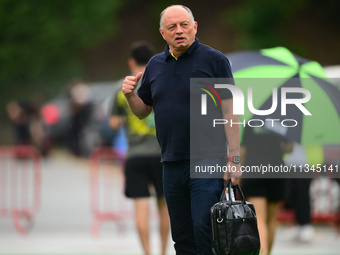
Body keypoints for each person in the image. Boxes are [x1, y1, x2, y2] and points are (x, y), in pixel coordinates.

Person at [122, 5, 241, 255]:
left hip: (207, 161)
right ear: (162, 33)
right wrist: (130, 95)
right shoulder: (155, 65)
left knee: (205, 232)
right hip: (170, 162)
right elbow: (143, 110)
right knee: (182, 238)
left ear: (195, 27)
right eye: (172, 27)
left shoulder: (215, 60)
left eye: (184, 25)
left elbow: (230, 112)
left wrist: (235, 158)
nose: (179, 31)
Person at [110, 41, 170, 255]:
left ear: (131, 61)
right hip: (162, 154)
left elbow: (113, 123)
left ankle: (147, 252)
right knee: (165, 209)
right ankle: (163, 252)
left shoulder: (121, 86)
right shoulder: (159, 80)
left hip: (135, 155)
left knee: (140, 209)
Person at [240, 126, 293, 255]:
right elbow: (289, 148)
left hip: (254, 170)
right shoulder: (283, 121)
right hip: (276, 171)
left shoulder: (251, 120)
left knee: (259, 220)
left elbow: (243, 150)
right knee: (271, 220)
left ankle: (262, 253)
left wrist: (239, 174)